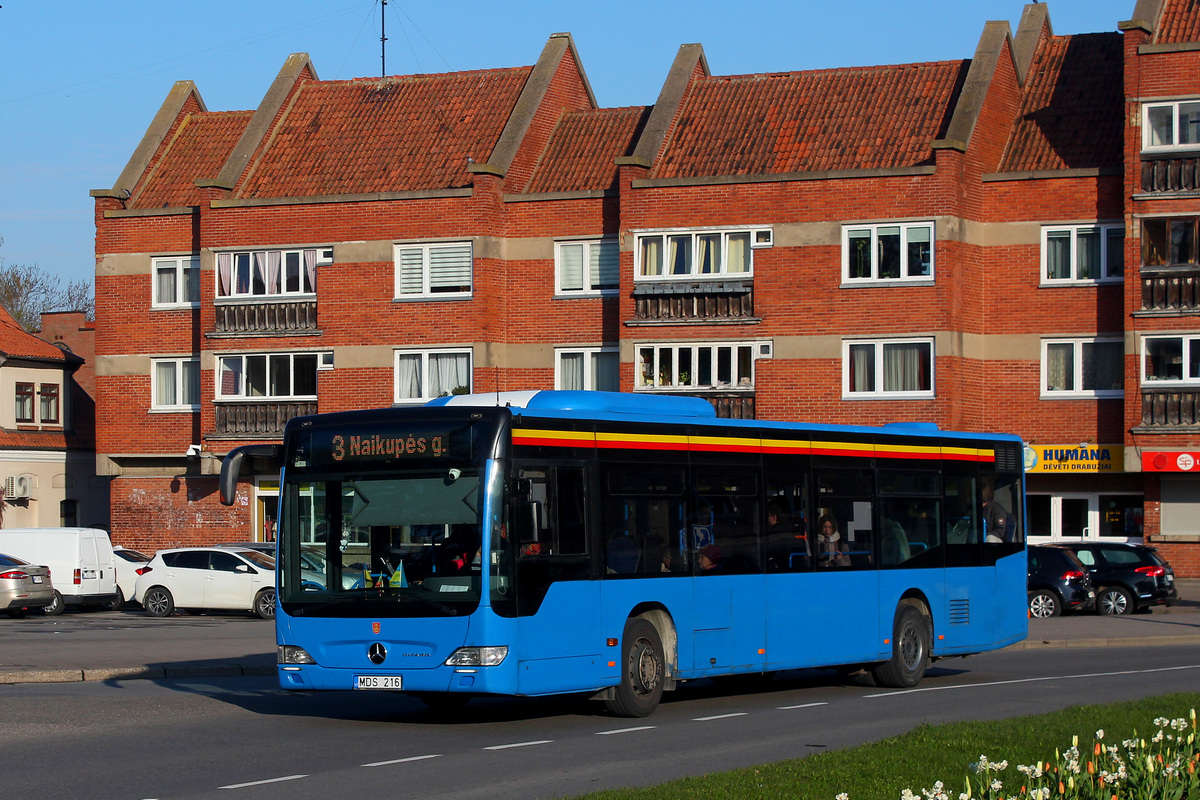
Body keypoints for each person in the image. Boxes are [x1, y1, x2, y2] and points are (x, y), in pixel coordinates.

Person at [981, 478, 1014, 543]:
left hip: (995, 540)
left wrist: (984, 536)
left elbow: (1000, 531)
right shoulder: (973, 509)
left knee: (990, 539)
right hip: (978, 539)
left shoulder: (997, 510)